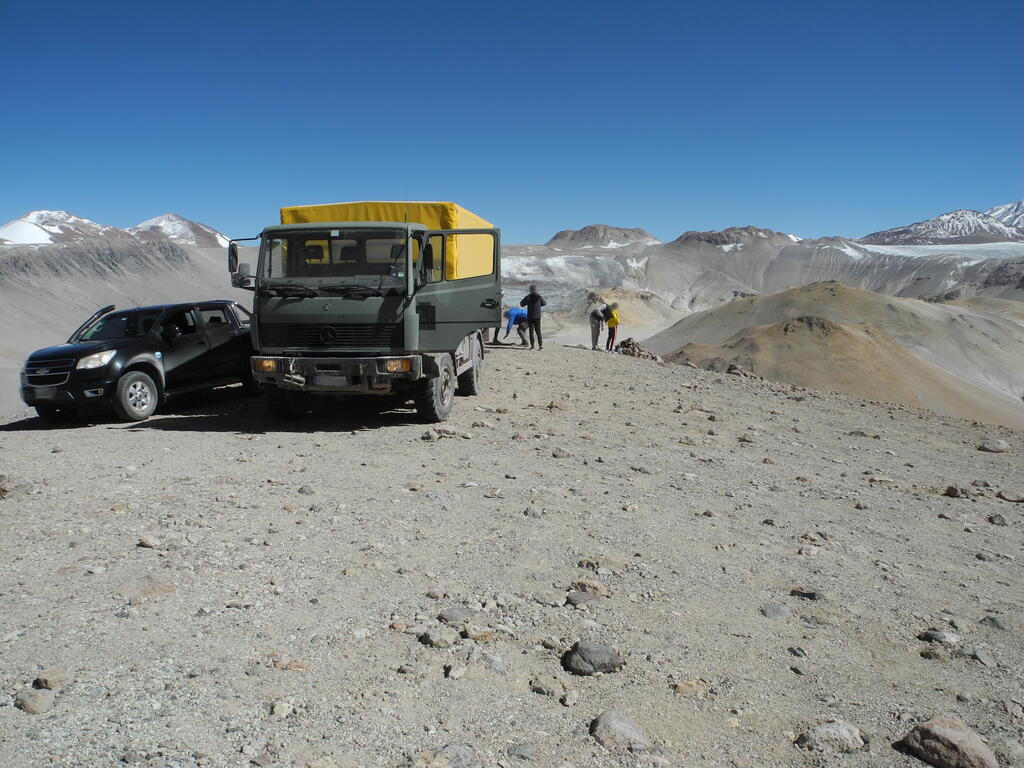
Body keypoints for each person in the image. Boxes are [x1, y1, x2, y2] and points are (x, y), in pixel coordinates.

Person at [520, 284, 547, 350]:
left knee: (531, 332)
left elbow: (522, 304)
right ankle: (540, 346)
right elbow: (544, 303)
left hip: (530, 316)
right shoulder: (539, 297)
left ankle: (532, 346)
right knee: (538, 331)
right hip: (537, 316)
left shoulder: (528, 297)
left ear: (530, 290)